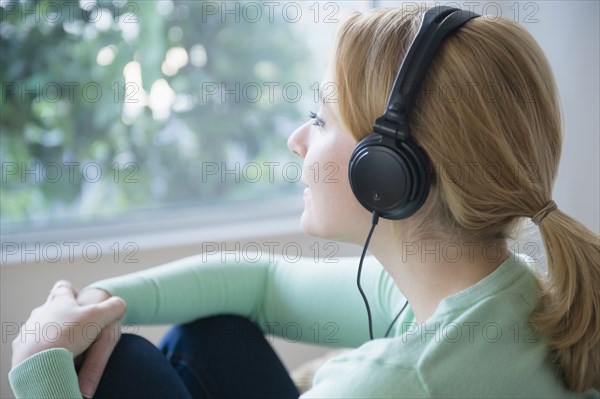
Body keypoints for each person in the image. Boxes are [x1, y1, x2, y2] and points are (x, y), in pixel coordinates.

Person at [9, 5, 600, 398]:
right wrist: (94, 305)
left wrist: (41, 371)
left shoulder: (385, 383)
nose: (296, 139)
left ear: (389, 173)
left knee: (126, 369)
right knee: (211, 335)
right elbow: (262, 280)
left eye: (319, 119)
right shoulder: (511, 290)